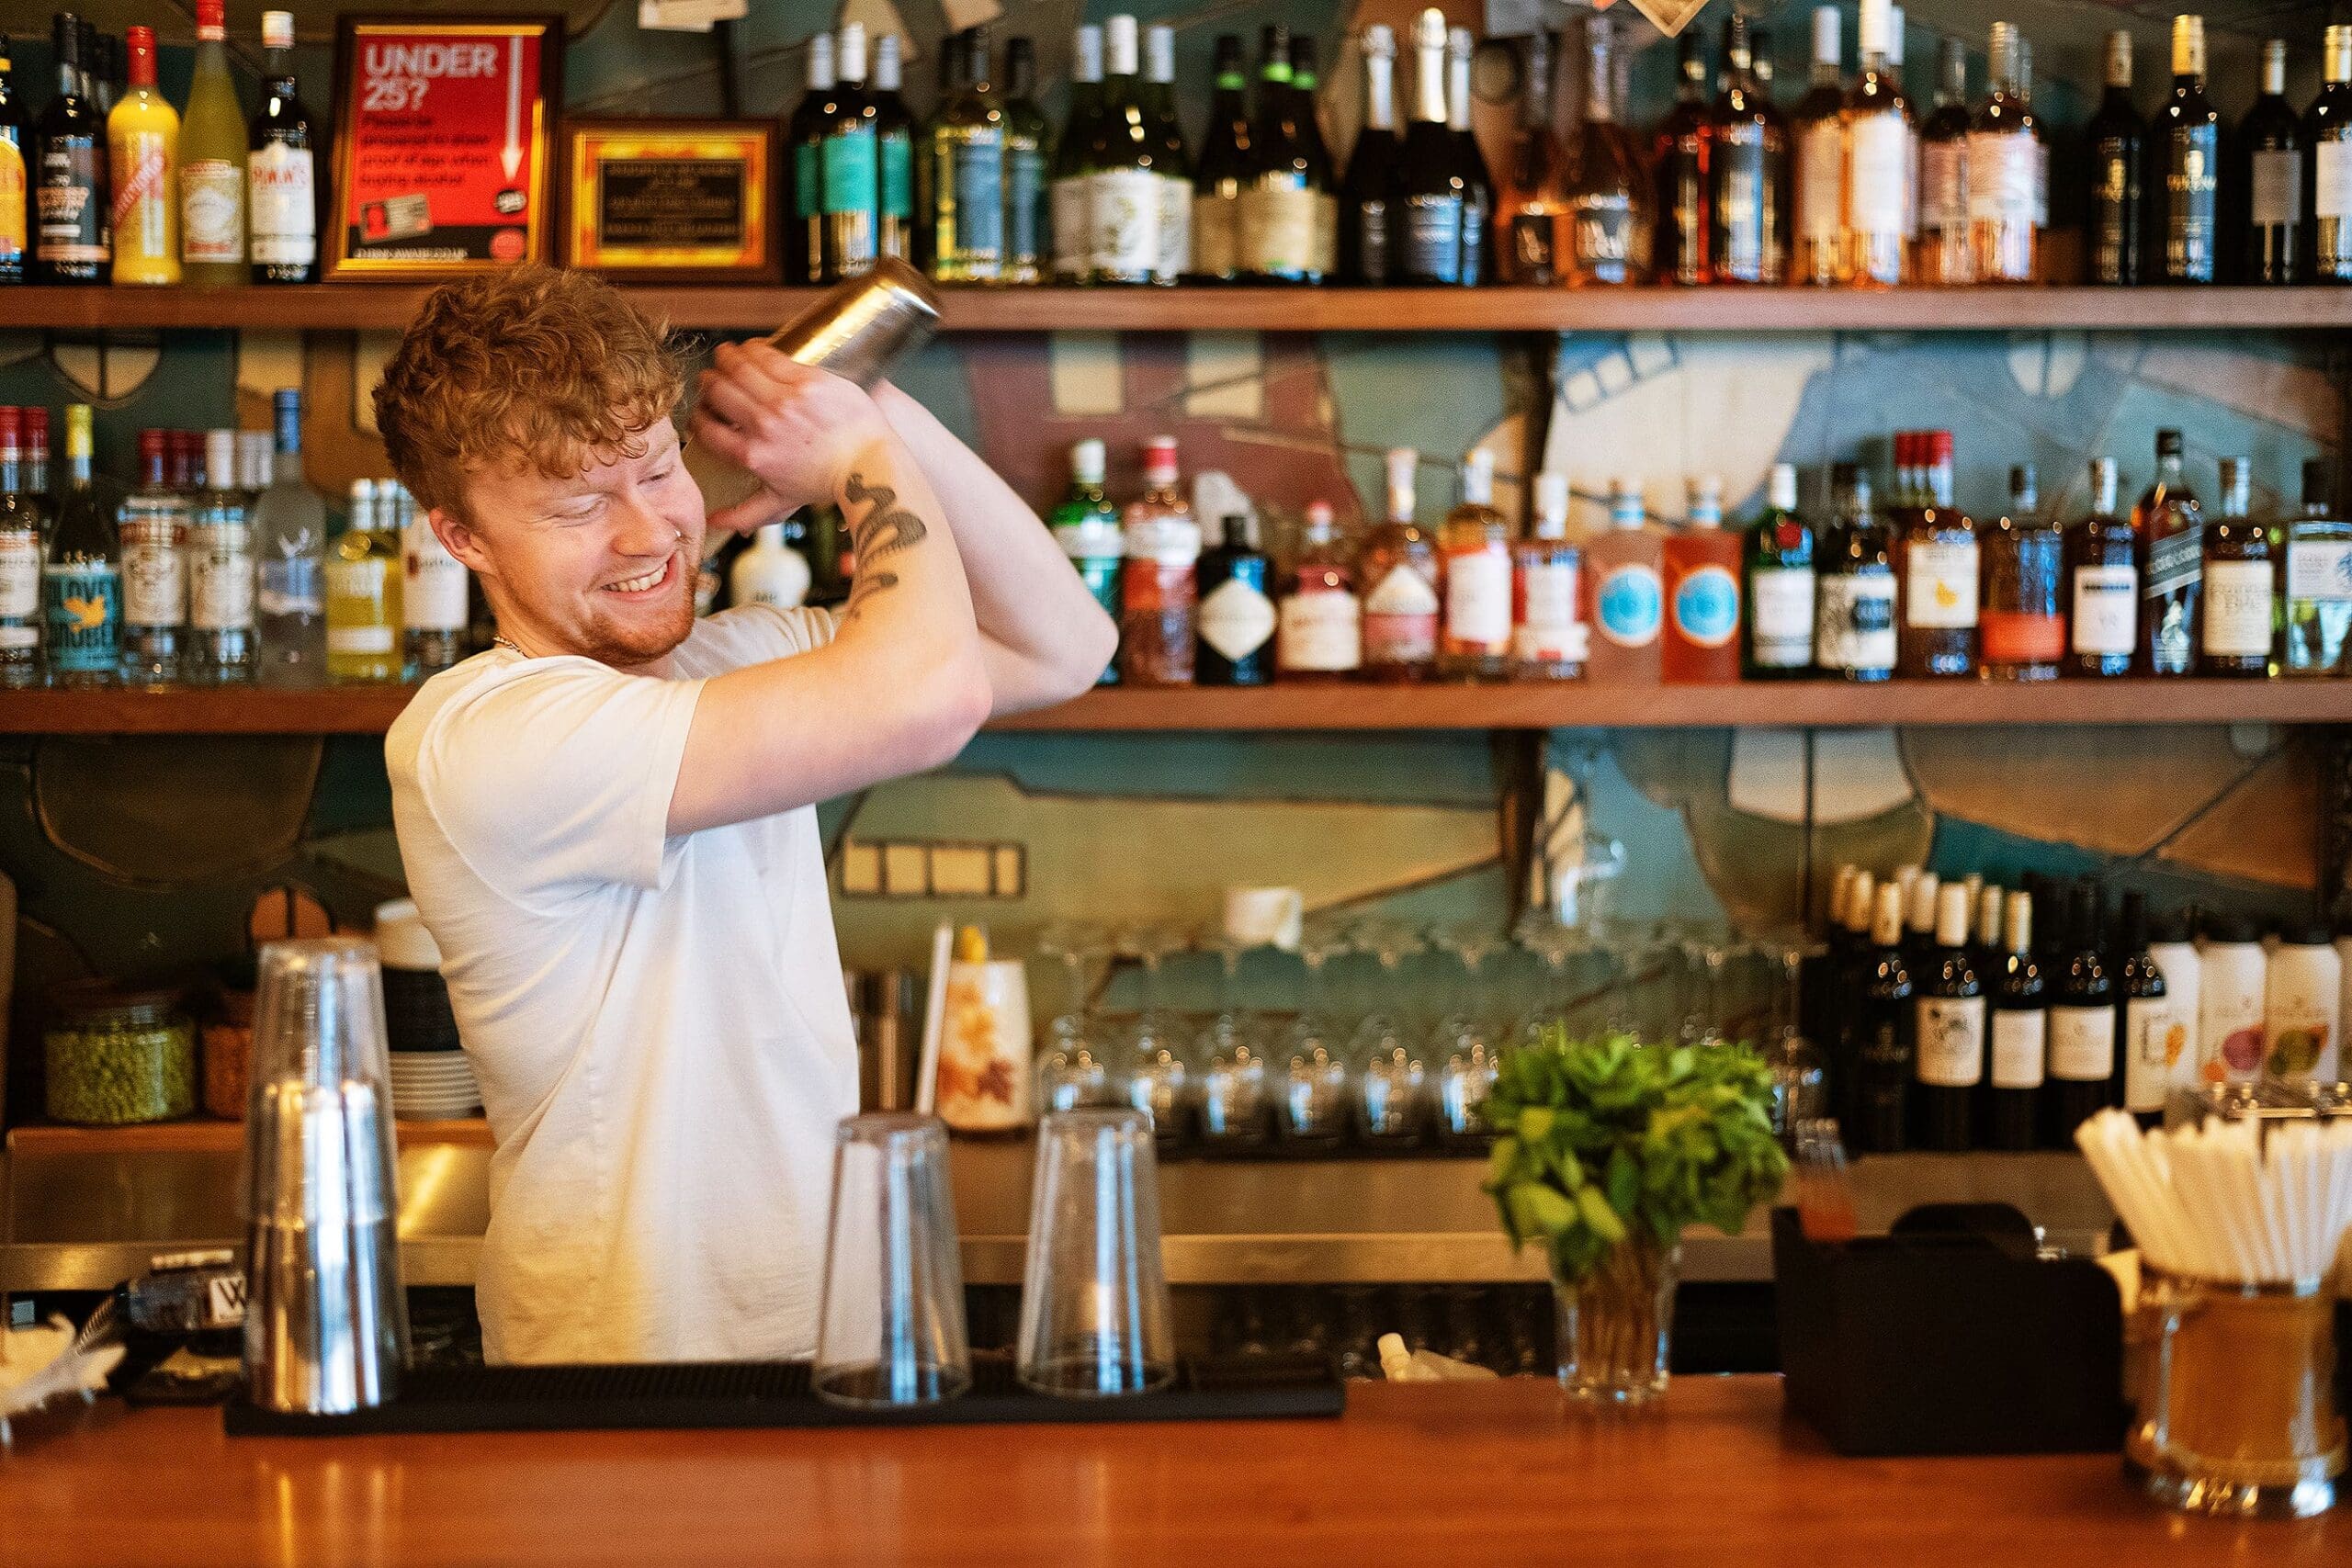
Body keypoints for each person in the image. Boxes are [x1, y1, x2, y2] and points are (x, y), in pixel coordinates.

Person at [378, 266, 1115, 1363]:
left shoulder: (734, 660)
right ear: (464, 539)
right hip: (622, 1366)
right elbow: (933, 698)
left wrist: (869, 413)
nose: (646, 533)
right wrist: (860, 464)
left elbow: (1064, 647)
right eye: (579, 505)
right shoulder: (481, 735)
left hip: (831, 1338)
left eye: (658, 469)